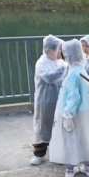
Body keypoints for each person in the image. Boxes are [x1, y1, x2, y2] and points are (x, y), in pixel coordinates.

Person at [49, 39, 89, 177]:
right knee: (85, 138)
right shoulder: (81, 70)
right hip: (86, 111)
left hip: (75, 113)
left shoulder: (72, 74)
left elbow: (73, 96)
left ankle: (70, 168)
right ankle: (88, 166)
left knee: (71, 140)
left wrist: (68, 114)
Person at [30, 35, 67, 166]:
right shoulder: (42, 63)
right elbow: (49, 78)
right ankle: (39, 154)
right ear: (51, 50)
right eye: (59, 49)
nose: (61, 52)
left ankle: (59, 154)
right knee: (43, 126)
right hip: (45, 100)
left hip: (59, 99)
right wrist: (64, 68)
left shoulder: (60, 62)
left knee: (59, 127)